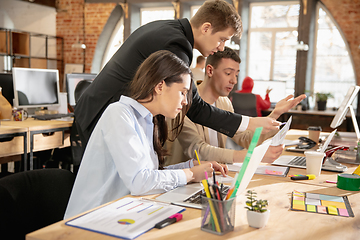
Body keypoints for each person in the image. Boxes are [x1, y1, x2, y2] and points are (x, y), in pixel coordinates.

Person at [74, 0, 284, 154]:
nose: (221, 47)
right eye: (222, 39)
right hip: (101, 115)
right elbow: (194, 107)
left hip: (103, 109)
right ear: (206, 28)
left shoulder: (170, 30)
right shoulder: (177, 45)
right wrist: (248, 123)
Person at [64, 51, 228, 219]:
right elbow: (140, 182)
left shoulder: (148, 120)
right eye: (182, 92)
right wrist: (191, 174)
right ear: (160, 86)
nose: (185, 101)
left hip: (122, 211)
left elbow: (150, 174)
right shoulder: (119, 113)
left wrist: (189, 166)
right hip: (93, 219)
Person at [165, 47, 306, 165]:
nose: (233, 80)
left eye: (236, 74)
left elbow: (244, 139)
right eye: (228, 73)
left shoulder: (224, 103)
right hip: (182, 181)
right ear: (210, 71)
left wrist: (275, 114)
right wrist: (250, 156)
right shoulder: (184, 101)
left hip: (213, 179)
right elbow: (199, 150)